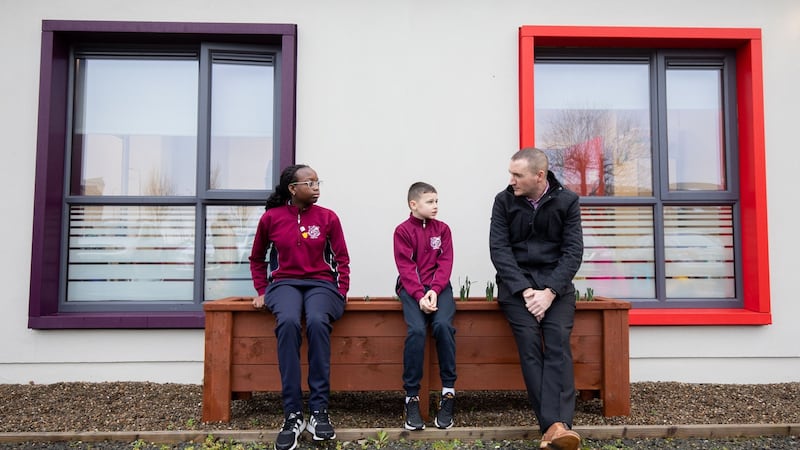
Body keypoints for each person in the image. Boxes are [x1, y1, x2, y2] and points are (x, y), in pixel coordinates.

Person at [249, 164, 350, 450]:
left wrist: (341, 290)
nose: (317, 187)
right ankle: (292, 414)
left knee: (318, 321)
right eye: (311, 182)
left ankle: (319, 412)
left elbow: (342, 258)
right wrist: (262, 290)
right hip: (284, 284)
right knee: (289, 322)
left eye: (319, 182)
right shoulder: (271, 218)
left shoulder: (329, 218)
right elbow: (257, 259)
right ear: (293, 189)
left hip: (321, 284)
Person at [489, 148, 584, 450]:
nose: (511, 180)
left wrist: (550, 292)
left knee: (557, 342)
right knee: (530, 344)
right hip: (518, 290)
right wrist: (527, 292)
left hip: (556, 290)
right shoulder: (503, 201)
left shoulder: (568, 202)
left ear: (539, 176)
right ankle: (556, 427)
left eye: (517, 175)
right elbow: (499, 251)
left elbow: (573, 253)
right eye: (510, 173)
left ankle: (556, 427)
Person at [393, 182, 457, 431]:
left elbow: (445, 263)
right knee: (417, 331)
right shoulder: (402, 231)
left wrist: (434, 291)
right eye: (430, 202)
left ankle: (449, 392)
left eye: (437, 201)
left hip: (440, 289)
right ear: (413, 204)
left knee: (442, 327)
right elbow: (406, 267)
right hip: (412, 290)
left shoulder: (443, 230)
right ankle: (411, 397)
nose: (436, 206)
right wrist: (420, 294)